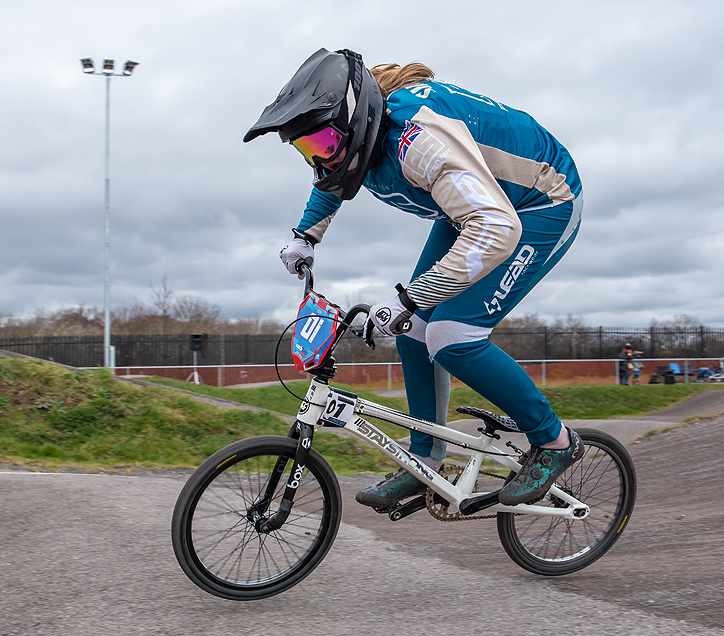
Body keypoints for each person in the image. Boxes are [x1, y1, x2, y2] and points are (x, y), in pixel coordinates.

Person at [244, 49, 584, 509]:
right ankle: (426, 461)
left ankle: (553, 440)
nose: (320, 158)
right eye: (308, 149)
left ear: (358, 122)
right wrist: (306, 235)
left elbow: (496, 228)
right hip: (475, 208)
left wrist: (411, 298)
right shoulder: (356, 142)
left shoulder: (417, 145)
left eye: (324, 142)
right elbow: (332, 178)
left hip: (538, 203)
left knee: (452, 336)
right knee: (413, 331)